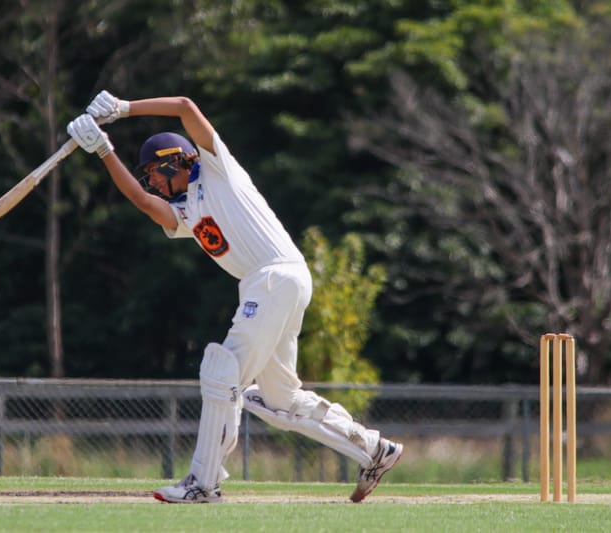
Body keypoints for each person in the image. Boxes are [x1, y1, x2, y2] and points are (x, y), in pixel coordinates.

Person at [66, 91, 403, 503]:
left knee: (221, 372)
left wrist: (123, 109)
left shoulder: (216, 169)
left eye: (153, 171)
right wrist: (103, 149)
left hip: (275, 276)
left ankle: (202, 483)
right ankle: (373, 449)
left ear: (175, 159)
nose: (150, 181)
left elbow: (186, 107)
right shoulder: (187, 210)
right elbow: (143, 202)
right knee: (280, 399)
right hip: (273, 282)